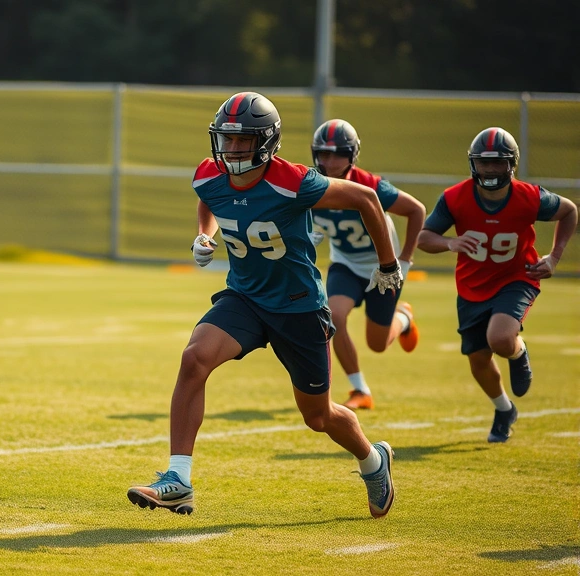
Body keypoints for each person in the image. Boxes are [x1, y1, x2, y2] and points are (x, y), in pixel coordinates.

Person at [126, 92, 402, 519]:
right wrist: (205, 234)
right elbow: (209, 197)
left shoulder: (294, 180)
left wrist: (387, 265)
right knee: (194, 358)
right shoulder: (209, 173)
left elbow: (366, 199)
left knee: (318, 416)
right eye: (228, 139)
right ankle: (178, 479)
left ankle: (372, 459)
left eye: (244, 140)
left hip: (298, 307)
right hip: (246, 297)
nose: (233, 149)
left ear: (267, 142)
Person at [417, 127, 576, 443]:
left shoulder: (529, 197)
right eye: (484, 162)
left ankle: (518, 352)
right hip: (472, 285)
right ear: (473, 163)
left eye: (497, 162)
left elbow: (569, 211)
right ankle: (504, 409)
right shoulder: (455, 198)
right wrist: (450, 243)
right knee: (479, 361)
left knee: (500, 338)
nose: (490, 169)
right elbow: (424, 237)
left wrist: (555, 257)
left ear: (511, 164)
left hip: (517, 277)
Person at [309, 119, 426, 410]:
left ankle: (403, 318)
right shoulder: (311, 184)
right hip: (345, 263)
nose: (330, 162)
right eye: (323, 154)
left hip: (382, 268)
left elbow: (416, 210)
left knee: (377, 343)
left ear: (352, 155)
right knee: (334, 317)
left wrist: (405, 259)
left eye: (338, 154)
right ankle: (360, 389)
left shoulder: (371, 186)